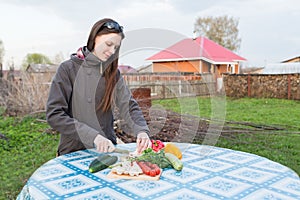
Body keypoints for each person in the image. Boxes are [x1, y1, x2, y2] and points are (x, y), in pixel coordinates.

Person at [46, 18, 151, 156]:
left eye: (116, 47)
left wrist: (141, 130)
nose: (112, 51)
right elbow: (55, 114)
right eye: (108, 44)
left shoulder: (113, 74)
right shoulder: (68, 69)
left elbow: (129, 106)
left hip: (107, 151)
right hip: (73, 151)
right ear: (95, 37)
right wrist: (93, 136)